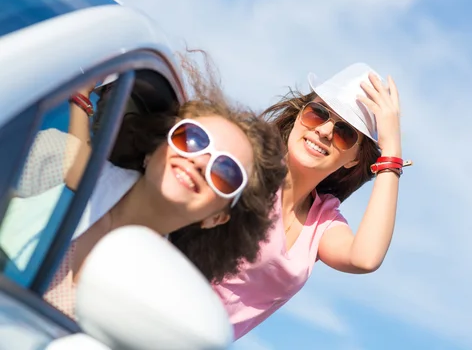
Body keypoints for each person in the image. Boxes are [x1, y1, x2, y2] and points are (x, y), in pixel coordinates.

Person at [7, 53, 288, 318]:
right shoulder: (52, 158)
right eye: (191, 139)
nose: (201, 161)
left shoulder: (160, 305)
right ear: (153, 150)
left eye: (226, 172)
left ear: (217, 217)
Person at [172, 62, 411, 340]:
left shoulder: (322, 221)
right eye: (317, 114)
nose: (323, 131)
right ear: (299, 116)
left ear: (356, 158)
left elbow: (365, 258)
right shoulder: (245, 164)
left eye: (345, 133)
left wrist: (391, 147)